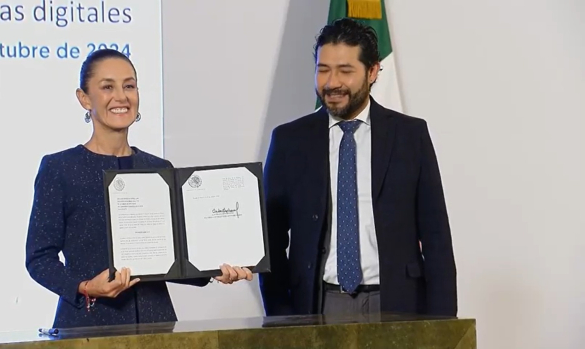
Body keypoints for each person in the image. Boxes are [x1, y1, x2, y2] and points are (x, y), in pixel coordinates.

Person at [25, 49, 252, 329]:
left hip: (156, 324)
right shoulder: (59, 168)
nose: (121, 96)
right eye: (108, 86)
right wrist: (84, 287)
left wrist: (216, 269)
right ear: (84, 98)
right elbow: (39, 259)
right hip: (87, 327)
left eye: (129, 85)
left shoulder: (159, 168)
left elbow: (175, 258)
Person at [259, 18, 457, 317]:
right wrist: (282, 317)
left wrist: (444, 325)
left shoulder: (410, 136)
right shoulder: (289, 140)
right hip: (319, 305)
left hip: (398, 305)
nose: (331, 82)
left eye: (345, 71)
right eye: (322, 69)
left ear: (373, 71)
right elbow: (271, 241)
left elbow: (436, 237)